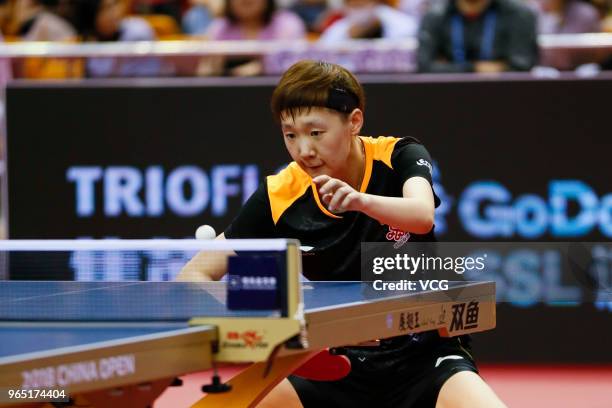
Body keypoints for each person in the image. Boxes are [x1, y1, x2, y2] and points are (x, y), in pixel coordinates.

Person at [178, 60, 507, 408]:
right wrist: (271, 323)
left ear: (354, 122)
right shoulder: (280, 193)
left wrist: (360, 201)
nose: (303, 149)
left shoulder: (399, 156)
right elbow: (194, 275)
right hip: (334, 363)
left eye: (315, 133)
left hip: (425, 358)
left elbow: (422, 216)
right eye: (290, 135)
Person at [417, 0, 538, 73]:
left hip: (504, 95)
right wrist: (475, 68)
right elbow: (424, 67)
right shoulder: (436, 15)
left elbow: (522, 66)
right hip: (448, 96)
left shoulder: (518, 15)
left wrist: (447, 67)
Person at [199, 0, 306, 76]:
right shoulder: (219, 28)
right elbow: (206, 69)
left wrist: (264, 67)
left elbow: (298, 67)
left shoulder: (287, 24)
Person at [319, 0, 419, 42]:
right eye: (353, 5)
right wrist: (350, 36)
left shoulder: (402, 23)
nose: (358, 8)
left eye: (362, 4)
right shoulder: (338, 29)